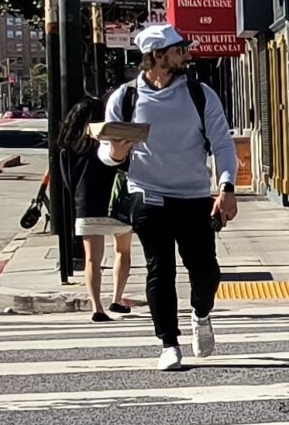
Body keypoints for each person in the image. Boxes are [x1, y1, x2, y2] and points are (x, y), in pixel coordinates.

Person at [100, 23, 239, 371]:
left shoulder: (199, 94)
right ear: (158, 56)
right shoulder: (126, 97)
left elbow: (222, 144)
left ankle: (201, 313)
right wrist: (116, 152)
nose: (186, 55)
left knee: (206, 272)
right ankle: (169, 343)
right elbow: (107, 151)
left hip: (194, 196)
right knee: (159, 269)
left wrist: (227, 187)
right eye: (179, 50)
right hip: (148, 195)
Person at [53, 95, 134, 322]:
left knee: (92, 259)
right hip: (116, 203)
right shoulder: (109, 142)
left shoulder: (69, 147)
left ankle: (97, 306)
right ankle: (116, 299)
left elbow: (66, 180)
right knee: (123, 251)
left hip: (86, 205)